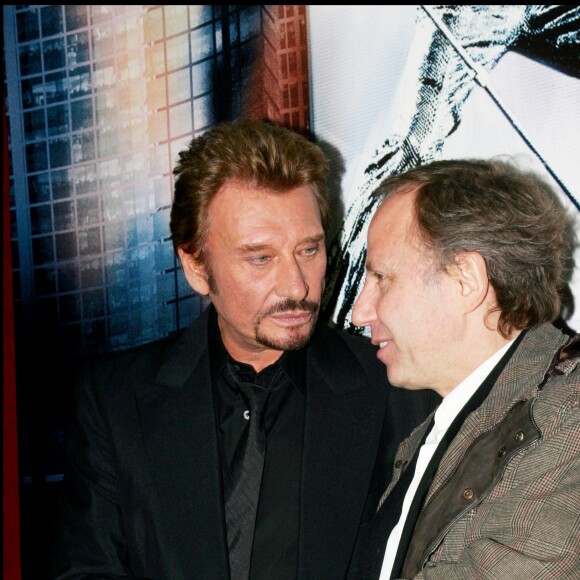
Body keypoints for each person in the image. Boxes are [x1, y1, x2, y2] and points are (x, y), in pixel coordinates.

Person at [50, 118, 438, 580]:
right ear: (196, 267)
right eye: (260, 257)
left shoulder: (400, 392)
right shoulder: (115, 401)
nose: (296, 285)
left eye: (309, 250)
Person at [348, 157, 579, 579]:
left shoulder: (569, 418)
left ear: (465, 279)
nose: (360, 312)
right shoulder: (442, 424)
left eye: (382, 278)